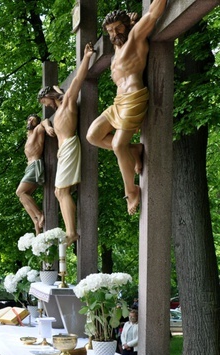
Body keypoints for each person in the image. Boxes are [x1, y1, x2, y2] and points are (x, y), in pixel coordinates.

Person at [86, 1, 168, 215]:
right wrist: (128, 23)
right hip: (117, 104)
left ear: (126, 27)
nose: (114, 33)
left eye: (118, 28)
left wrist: (133, 25)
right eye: (110, 30)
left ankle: (131, 190)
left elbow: (153, 13)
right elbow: (118, 37)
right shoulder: (117, 46)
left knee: (118, 145)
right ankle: (134, 150)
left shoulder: (135, 38)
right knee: (92, 135)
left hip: (134, 98)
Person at [38, 42, 95, 246]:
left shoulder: (68, 102)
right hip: (63, 152)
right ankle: (70, 230)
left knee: (61, 191)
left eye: (45, 103)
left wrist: (87, 56)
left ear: (49, 96)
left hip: (70, 146)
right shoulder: (56, 114)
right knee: (58, 192)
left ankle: (72, 232)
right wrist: (45, 124)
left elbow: (78, 79)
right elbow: (43, 122)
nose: (47, 106)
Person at [16, 114, 48, 234]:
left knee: (20, 192)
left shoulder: (38, 130)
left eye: (33, 120)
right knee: (23, 197)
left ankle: (39, 215)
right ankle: (35, 220)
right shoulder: (28, 136)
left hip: (35, 165)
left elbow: (44, 122)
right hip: (29, 167)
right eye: (29, 119)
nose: (30, 121)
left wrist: (48, 127)